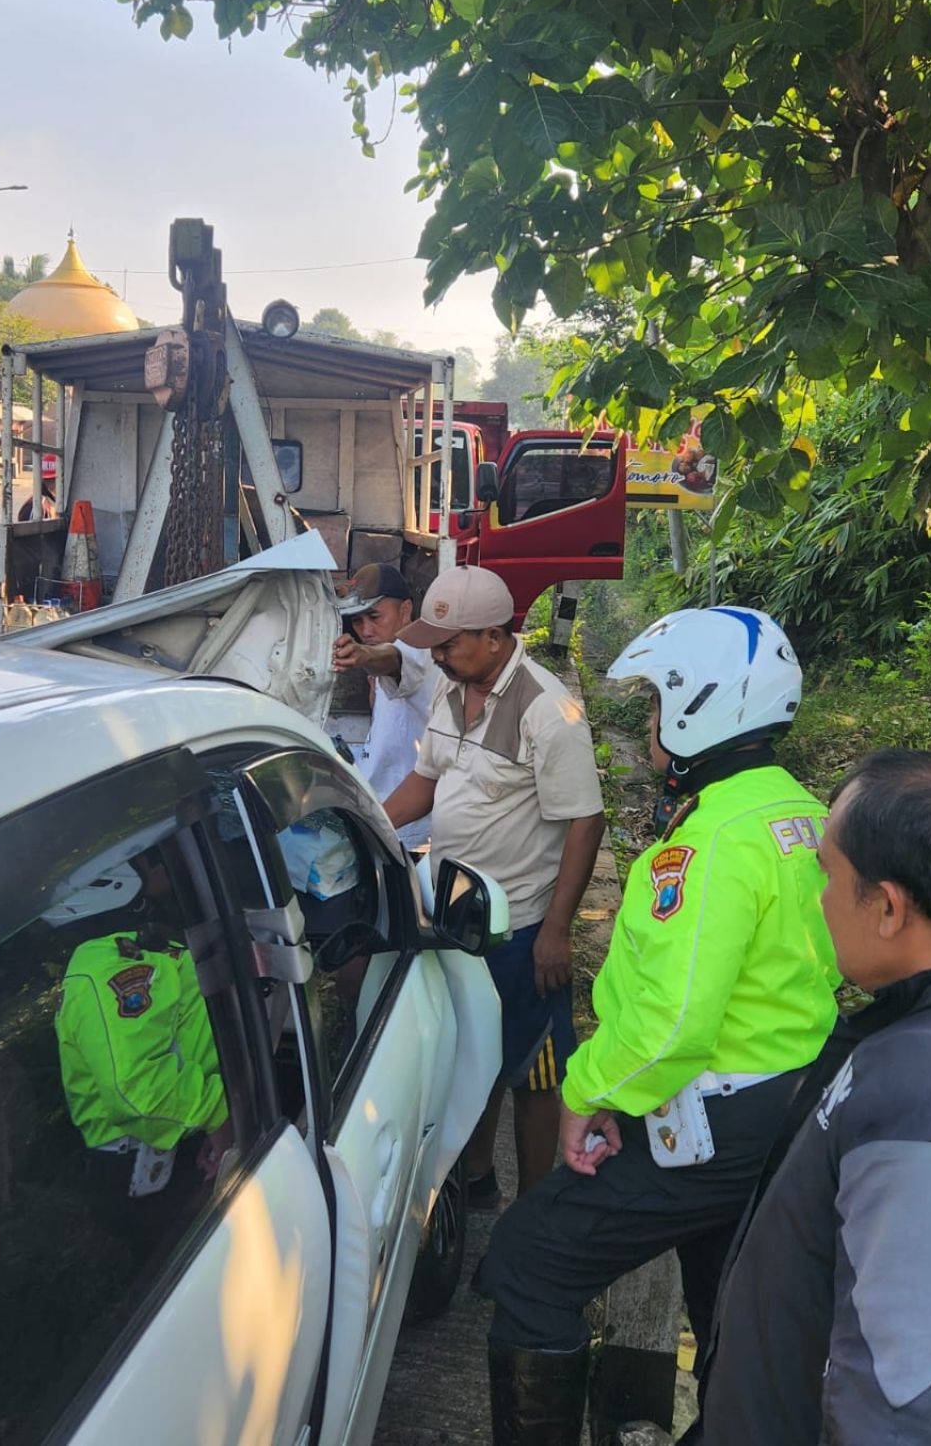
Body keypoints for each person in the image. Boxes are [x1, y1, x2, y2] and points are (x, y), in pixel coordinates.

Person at [476, 605, 840, 1446]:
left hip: (712, 1109)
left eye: (653, 706)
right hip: (786, 1105)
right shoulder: (802, 813)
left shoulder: (709, 843)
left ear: (697, 707)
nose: (647, 727)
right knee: (726, 1301)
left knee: (530, 1264)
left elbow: (674, 1019)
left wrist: (587, 1090)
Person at [691, 749, 931, 1445]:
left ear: (887, 907)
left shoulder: (928, 1110)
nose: (818, 899)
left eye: (827, 876)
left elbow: (908, 1416)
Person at [383, 564, 606, 1204]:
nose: (439, 655)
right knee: (469, 1051)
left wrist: (556, 933)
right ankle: (475, 1174)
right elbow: (428, 778)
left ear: (494, 636)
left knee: (532, 1073)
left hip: (521, 924)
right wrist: (371, 819)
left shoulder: (549, 711)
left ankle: (533, 1210)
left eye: (449, 644)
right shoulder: (449, 693)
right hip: (457, 909)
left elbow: (585, 824)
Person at [52, 859, 232, 1239]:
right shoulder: (109, 969)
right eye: (150, 860)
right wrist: (221, 1115)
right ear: (112, 881)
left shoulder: (136, 949)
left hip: (177, 1137)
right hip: (149, 1167)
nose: (161, 863)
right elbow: (138, 1090)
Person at [333, 562, 439, 852]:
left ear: (405, 610)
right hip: (377, 811)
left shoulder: (418, 651)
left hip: (405, 831)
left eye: (375, 617)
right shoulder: (381, 667)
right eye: (357, 621)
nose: (365, 630)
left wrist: (363, 654)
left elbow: (392, 658)